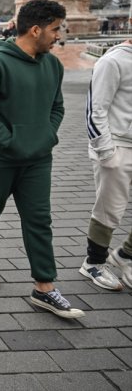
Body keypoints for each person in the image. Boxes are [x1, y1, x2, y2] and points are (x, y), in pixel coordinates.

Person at [0, 0, 84, 319]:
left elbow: (57, 108)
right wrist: (10, 142)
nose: (58, 35)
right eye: (55, 29)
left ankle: (44, 288)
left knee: (39, 220)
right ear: (35, 30)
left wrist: (46, 136)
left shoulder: (53, 65)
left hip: (38, 158)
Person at [80, 39, 132, 290]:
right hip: (117, 145)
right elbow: (95, 109)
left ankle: (125, 256)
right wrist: (105, 151)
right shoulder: (113, 61)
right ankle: (94, 262)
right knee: (110, 208)